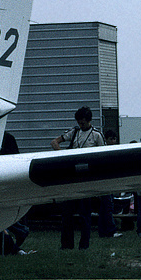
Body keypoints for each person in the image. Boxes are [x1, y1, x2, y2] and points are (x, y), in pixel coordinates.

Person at [51, 106, 105, 250]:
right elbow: (54, 142)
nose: (81, 125)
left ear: (89, 121)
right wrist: (64, 156)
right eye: (79, 123)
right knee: (67, 214)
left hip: (86, 177)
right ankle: (66, 245)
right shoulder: (74, 132)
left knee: (85, 215)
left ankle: (84, 245)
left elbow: (103, 155)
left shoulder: (96, 135)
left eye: (83, 123)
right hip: (72, 176)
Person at [98, 130, 122, 238]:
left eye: (114, 139)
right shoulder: (104, 151)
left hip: (109, 183)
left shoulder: (113, 151)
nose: (113, 141)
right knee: (107, 207)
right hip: (105, 183)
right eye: (111, 139)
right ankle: (111, 230)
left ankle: (103, 231)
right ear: (106, 140)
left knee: (105, 208)